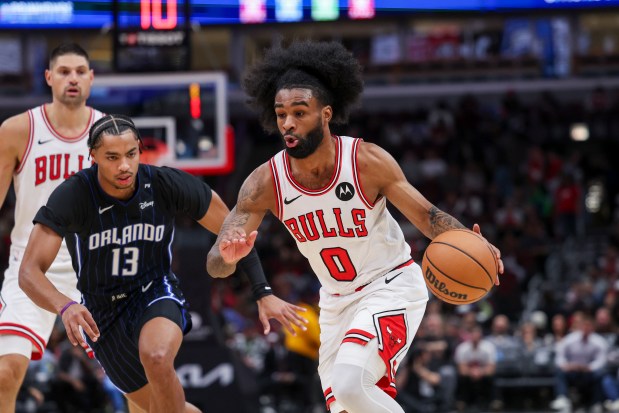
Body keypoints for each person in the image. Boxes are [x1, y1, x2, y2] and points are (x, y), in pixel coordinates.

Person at [206, 40, 504, 413]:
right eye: (281, 113)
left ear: (326, 114)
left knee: (349, 385)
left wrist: (470, 240)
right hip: (335, 303)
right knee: (349, 406)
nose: (288, 123)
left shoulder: (366, 161)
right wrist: (228, 256)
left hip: (390, 284)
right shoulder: (265, 183)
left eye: (299, 112)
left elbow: (428, 217)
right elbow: (215, 263)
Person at [18, 114, 307, 412]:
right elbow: (28, 271)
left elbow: (234, 229)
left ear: (140, 149)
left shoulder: (164, 183)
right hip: (102, 314)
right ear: (93, 156)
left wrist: (262, 290)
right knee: (167, 409)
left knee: (156, 356)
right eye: (112, 157)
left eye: (131, 154)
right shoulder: (74, 195)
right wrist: (64, 306)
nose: (124, 166)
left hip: (154, 291)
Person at [0, 43, 104, 412]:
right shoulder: (17, 130)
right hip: (32, 265)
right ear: (48, 78)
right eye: (63, 71)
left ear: (91, 78)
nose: (72, 78)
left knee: (135, 377)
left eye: (79, 71)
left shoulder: (109, 133)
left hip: (97, 266)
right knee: (5, 372)